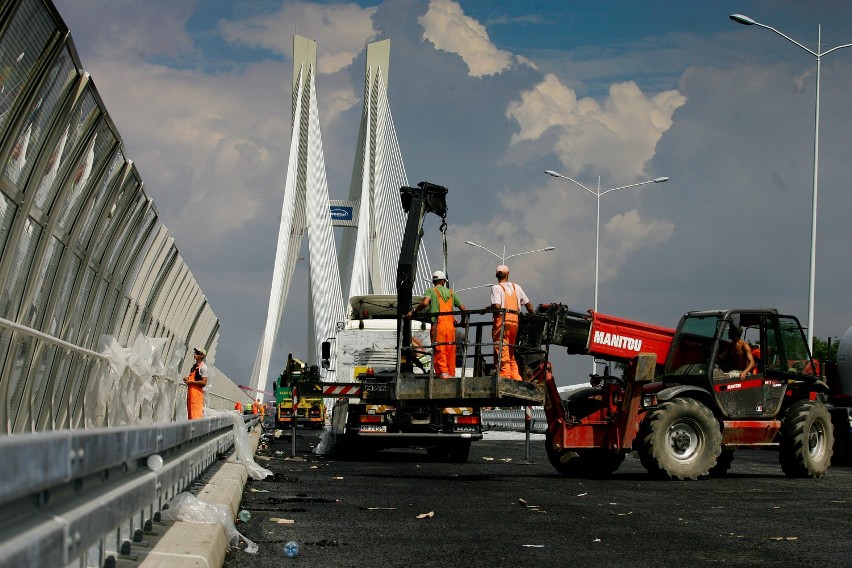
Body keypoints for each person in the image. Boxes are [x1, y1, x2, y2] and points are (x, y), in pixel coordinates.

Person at [407, 270, 466, 379]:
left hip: (438, 326)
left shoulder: (430, 291)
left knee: (440, 350)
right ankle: (451, 375)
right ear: (443, 281)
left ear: (433, 281)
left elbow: (425, 303)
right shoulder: (451, 293)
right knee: (450, 350)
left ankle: (443, 376)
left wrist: (414, 311)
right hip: (450, 328)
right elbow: (463, 309)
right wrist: (463, 321)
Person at [490, 265, 534, 380]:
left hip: (502, 324)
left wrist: (487, 309)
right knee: (510, 353)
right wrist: (534, 317)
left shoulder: (496, 288)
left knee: (502, 351)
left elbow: (497, 306)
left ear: (496, 276)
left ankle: (505, 378)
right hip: (514, 324)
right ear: (508, 274)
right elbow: (528, 305)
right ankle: (516, 378)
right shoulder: (516, 287)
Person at [183, 347, 208, 419]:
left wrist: (190, 382)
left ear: (202, 356)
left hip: (197, 396)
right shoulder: (194, 367)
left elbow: (204, 382)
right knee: (190, 416)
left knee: (195, 417)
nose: (195, 354)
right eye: (195, 352)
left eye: (197, 353)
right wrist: (187, 378)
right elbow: (196, 378)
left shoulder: (203, 367)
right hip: (191, 394)